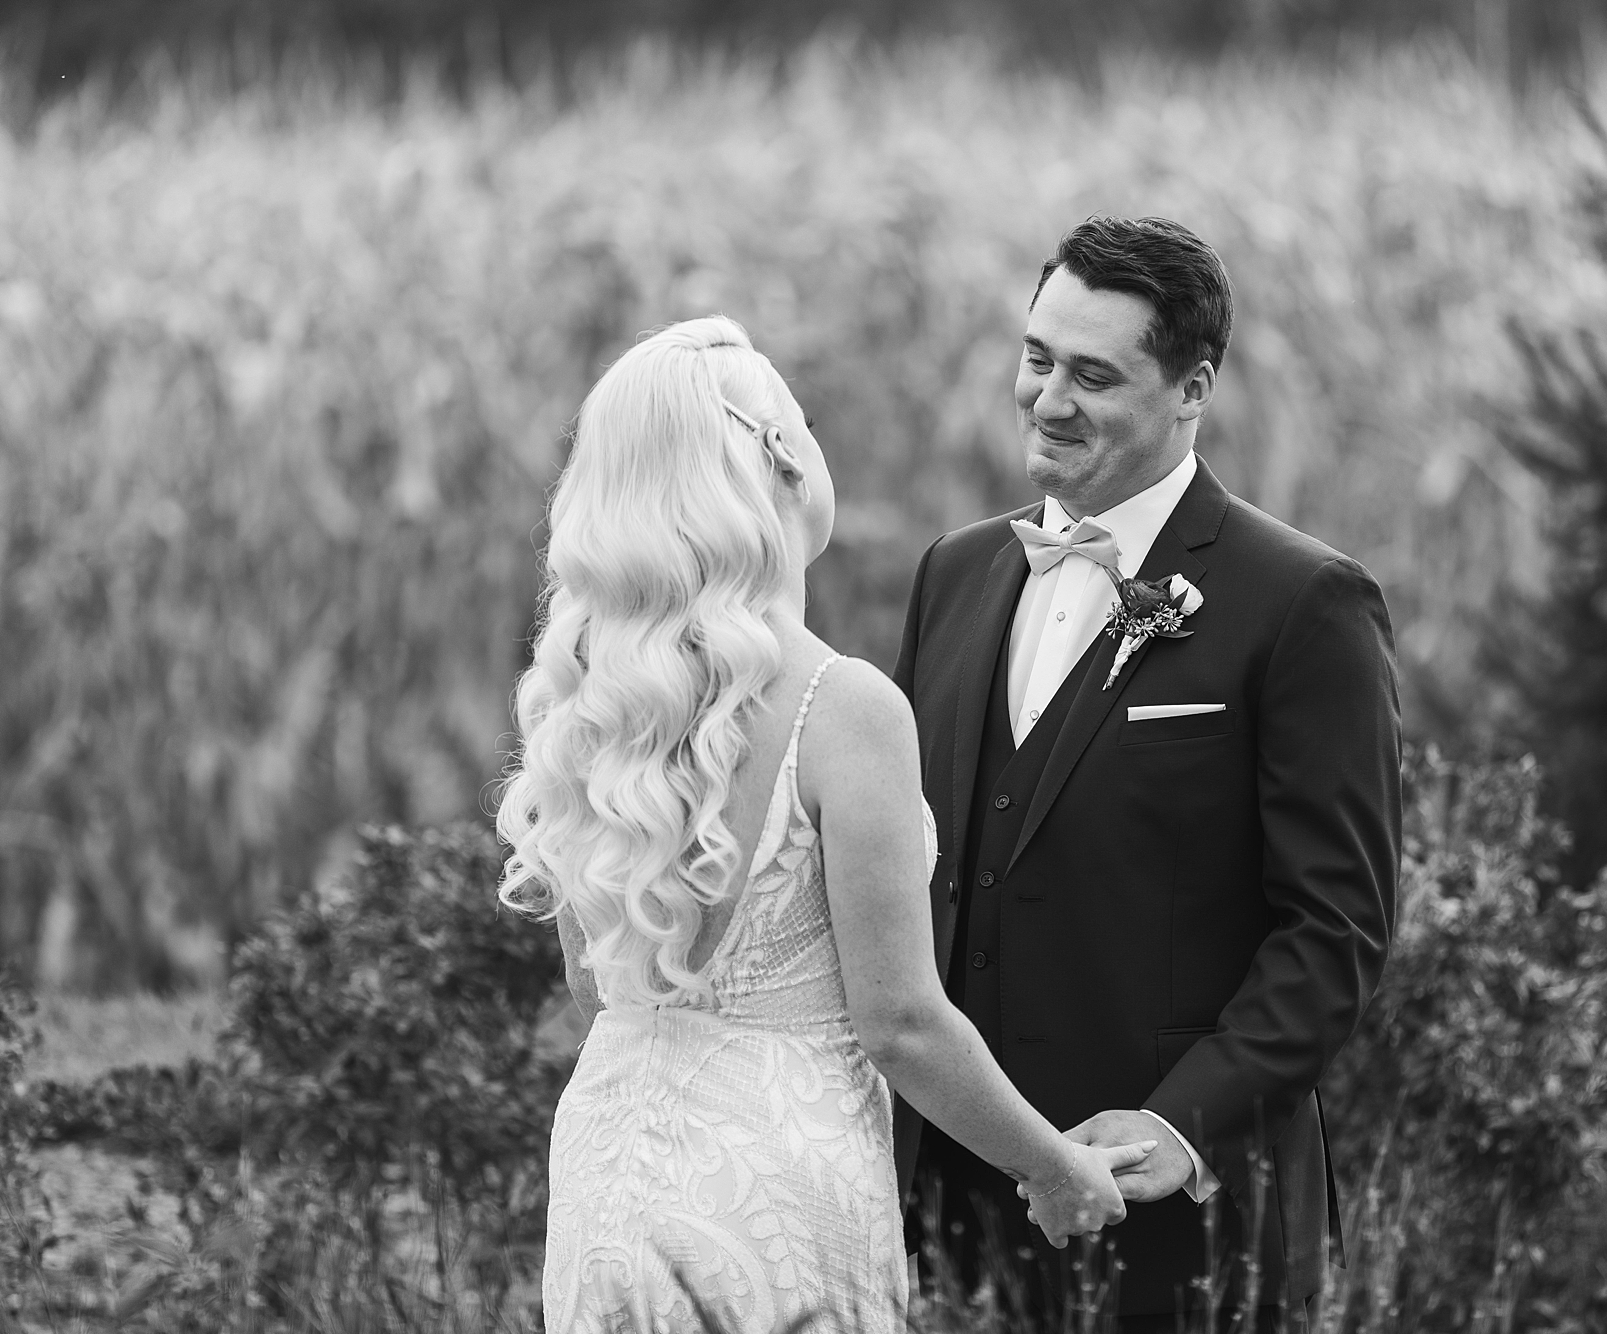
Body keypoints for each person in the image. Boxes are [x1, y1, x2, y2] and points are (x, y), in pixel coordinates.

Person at [496, 316, 1154, 1334]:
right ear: (781, 462)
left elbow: (597, 987)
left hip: (607, 1164)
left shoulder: (588, 701)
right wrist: (1054, 1165)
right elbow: (899, 1022)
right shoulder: (841, 707)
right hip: (779, 1172)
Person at [891, 217, 1402, 1332]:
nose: (1045, 399)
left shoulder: (1303, 603)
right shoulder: (953, 574)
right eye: (1036, 358)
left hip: (1179, 1225)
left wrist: (1174, 1128)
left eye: (1093, 374)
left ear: (1191, 388)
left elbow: (1335, 930)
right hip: (943, 1215)